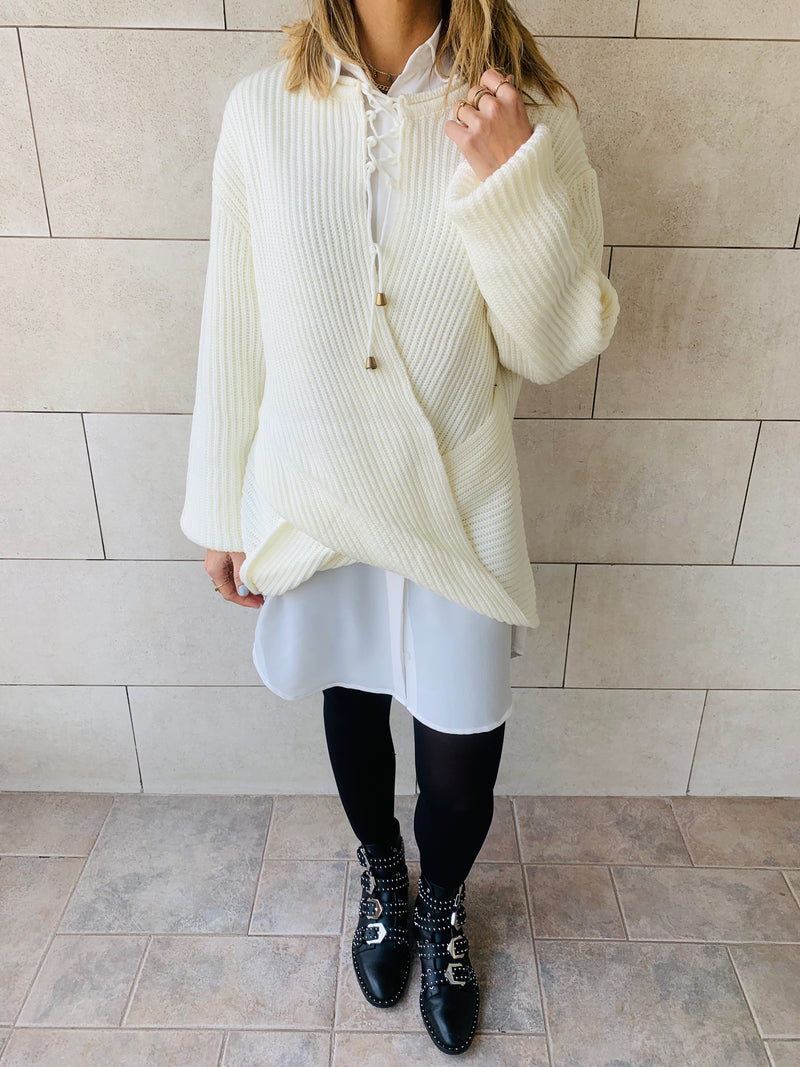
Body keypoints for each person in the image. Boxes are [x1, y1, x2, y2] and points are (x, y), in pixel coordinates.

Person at [180, 0, 619, 1054]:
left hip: (457, 499)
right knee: (352, 694)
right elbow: (234, 314)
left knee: (461, 749)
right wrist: (221, 505)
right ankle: (383, 870)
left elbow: (553, 344)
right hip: (315, 488)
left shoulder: (526, 110)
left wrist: (510, 175)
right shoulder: (261, 109)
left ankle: (443, 901)